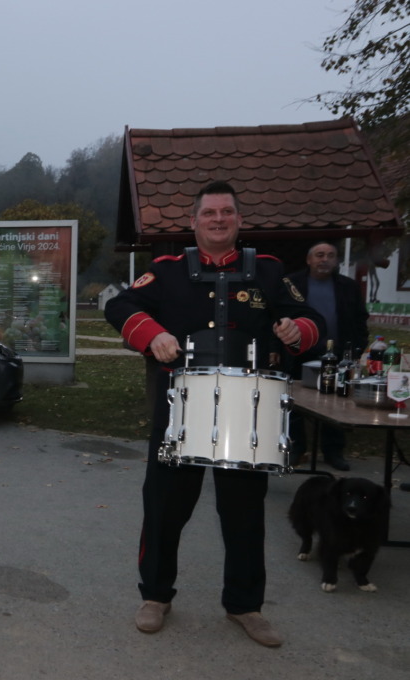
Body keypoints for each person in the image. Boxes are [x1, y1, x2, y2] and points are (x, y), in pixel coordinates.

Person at [105, 181, 324, 648]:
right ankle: (155, 596)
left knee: (244, 516)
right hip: (178, 408)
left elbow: (312, 322)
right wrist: (151, 334)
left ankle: (245, 605)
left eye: (227, 212)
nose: (219, 219)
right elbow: (120, 305)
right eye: (210, 213)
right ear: (195, 221)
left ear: (239, 221)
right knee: (164, 509)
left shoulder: (267, 271)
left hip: (246, 418)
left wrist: (294, 330)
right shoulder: (165, 271)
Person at [285, 241, 370, 470]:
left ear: (336, 261)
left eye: (330, 255)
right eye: (319, 255)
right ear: (309, 260)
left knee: (337, 401)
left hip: (338, 353)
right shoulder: (292, 283)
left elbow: (360, 319)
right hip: (299, 350)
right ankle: (297, 448)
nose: (325, 259)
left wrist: (358, 349)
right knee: (294, 401)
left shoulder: (348, 286)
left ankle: (333, 451)